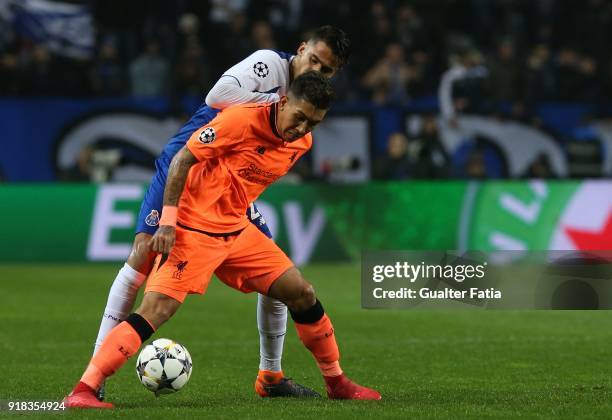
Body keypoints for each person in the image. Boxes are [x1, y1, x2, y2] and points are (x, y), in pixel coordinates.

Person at [64, 71, 381, 409]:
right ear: (283, 101)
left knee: (301, 293)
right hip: (192, 229)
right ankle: (84, 389)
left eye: (313, 123)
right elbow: (181, 160)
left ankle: (336, 382)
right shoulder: (240, 120)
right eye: (300, 117)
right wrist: (169, 222)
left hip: (236, 229)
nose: (302, 129)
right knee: (157, 308)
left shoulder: (301, 143)